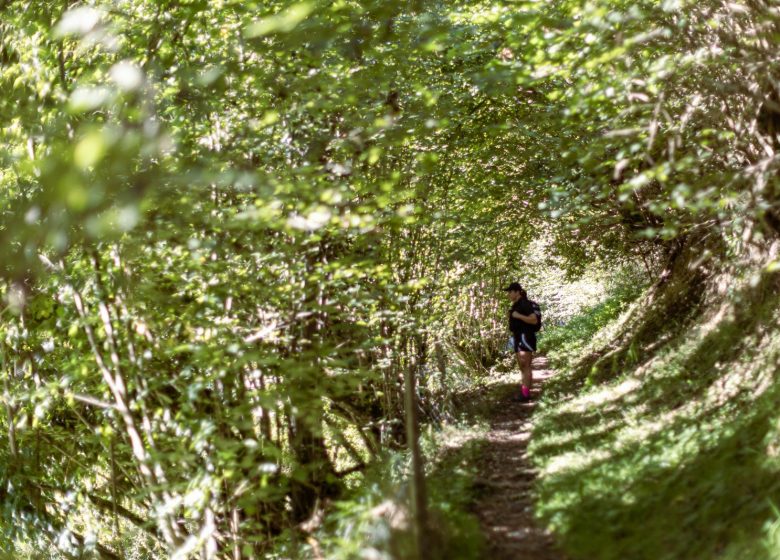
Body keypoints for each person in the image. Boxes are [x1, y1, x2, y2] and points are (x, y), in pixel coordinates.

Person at [504, 282, 538, 402]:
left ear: (517, 292)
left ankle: (525, 394)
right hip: (518, 337)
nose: (508, 294)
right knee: (522, 366)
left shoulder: (524, 303)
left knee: (526, 365)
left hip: (525, 336)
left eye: (510, 292)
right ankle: (524, 393)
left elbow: (534, 320)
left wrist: (518, 316)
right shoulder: (516, 304)